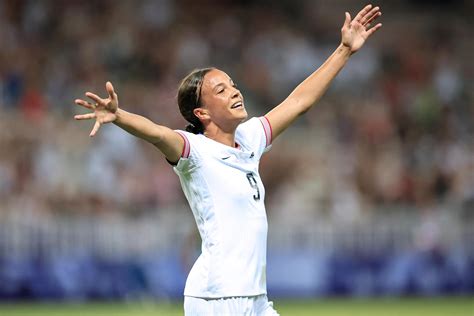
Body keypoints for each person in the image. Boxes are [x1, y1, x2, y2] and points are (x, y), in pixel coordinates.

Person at [74, 4, 382, 315]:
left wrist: (344, 50)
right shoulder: (194, 151)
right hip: (216, 300)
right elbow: (157, 133)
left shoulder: (249, 138)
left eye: (233, 85)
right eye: (221, 90)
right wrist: (118, 115)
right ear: (202, 113)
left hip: (256, 299)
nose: (235, 92)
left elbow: (299, 102)